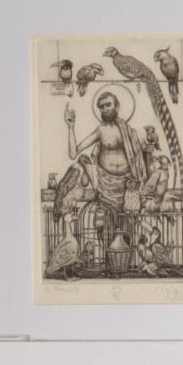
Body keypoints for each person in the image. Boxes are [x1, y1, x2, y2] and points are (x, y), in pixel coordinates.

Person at [64, 90, 147, 247]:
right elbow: (73, 153)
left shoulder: (129, 131)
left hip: (128, 188)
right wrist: (70, 127)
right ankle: (109, 259)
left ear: (117, 106)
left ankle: (125, 261)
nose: (105, 109)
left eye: (108, 105)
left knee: (128, 231)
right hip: (105, 186)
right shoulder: (100, 130)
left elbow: (138, 160)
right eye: (101, 107)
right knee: (107, 229)